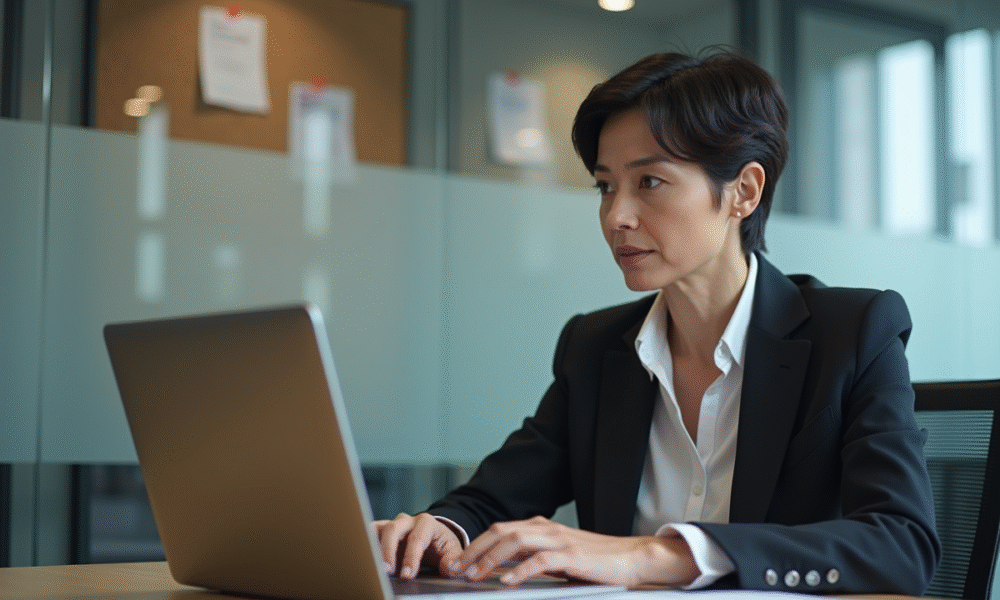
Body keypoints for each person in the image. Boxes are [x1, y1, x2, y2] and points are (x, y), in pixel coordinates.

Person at [374, 50, 940, 595]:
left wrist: (654, 556)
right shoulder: (594, 348)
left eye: (649, 182)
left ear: (743, 192)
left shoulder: (852, 333)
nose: (616, 216)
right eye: (605, 186)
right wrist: (440, 530)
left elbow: (902, 543)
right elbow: (492, 499)